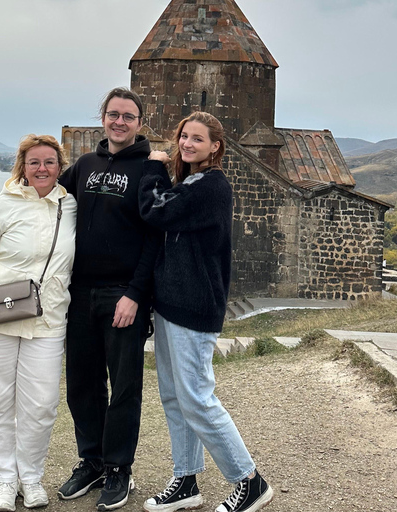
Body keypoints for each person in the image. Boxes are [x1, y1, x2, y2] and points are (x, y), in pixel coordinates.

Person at [139, 112, 273, 512]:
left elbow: (156, 209)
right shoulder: (191, 181)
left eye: (197, 139)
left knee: (196, 397)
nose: (187, 143)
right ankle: (186, 481)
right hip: (170, 303)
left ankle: (249, 481)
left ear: (216, 146)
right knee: (174, 397)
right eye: (184, 136)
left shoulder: (212, 185)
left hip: (194, 306)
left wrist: (152, 169)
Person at [0, 134, 76, 512]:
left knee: (41, 405)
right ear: (22, 167)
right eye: (34, 162)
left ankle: (32, 477)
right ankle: (6, 480)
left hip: (50, 319)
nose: (42, 169)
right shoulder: (1, 206)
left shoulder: (70, 206)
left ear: (60, 166)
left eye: (50, 162)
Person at [57, 87, 159, 511]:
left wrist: (136, 295)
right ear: (103, 118)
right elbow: (49, 204)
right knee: (82, 382)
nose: (120, 122)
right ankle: (92, 460)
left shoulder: (150, 170)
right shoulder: (84, 165)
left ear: (139, 123)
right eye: (113, 114)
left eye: (128, 117)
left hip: (122, 295)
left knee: (124, 388)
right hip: (79, 292)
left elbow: (156, 237)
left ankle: (120, 468)